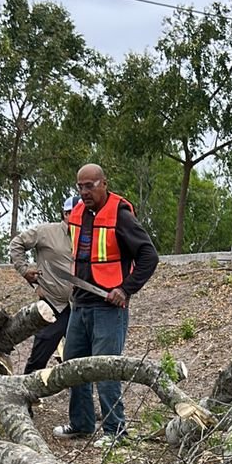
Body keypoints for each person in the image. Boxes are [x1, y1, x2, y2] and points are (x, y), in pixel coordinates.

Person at [52, 163, 159, 447]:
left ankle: (115, 431)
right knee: (74, 366)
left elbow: (149, 256)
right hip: (80, 303)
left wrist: (125, 289)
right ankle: (82, 424)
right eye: (80, 187)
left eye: (90, 186)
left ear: (104, 184)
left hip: (108, 309)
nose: (84, 192)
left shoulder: (120, 215)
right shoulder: (78, 212)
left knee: (106, 369)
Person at [9, 194, 79, 374]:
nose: (79, 217)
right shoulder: (46, 232)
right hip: (53, 304)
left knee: (80, 354)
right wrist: (24, 270)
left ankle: (75, 387)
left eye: (84, 213)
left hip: (80, 304)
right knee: (41, 353)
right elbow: (17, 244)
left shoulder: (90, 237)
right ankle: (27, 386)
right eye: (74, 213)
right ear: (65, 214)